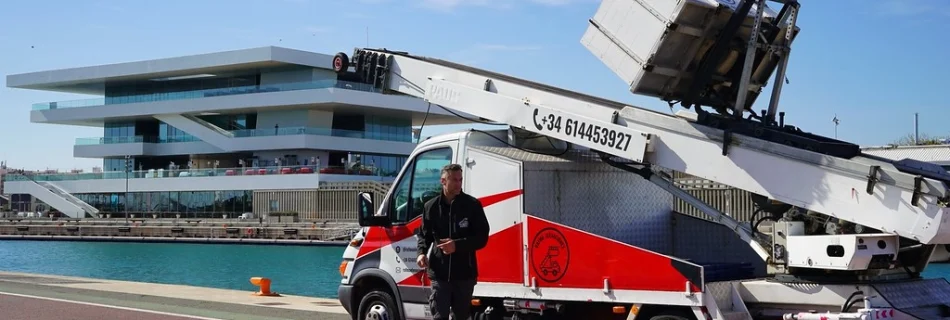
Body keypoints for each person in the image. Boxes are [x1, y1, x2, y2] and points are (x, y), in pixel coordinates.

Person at [416, 163, 490, 320]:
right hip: (439, 275)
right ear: (443, 181)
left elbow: (482, 237)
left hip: (464, 275)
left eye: (460, 180)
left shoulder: (472, 205)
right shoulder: (431, 207)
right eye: (454, 180)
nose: (458, 184)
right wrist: (421, 253)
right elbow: (424, 235)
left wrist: (457, 245)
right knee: (439, 316)